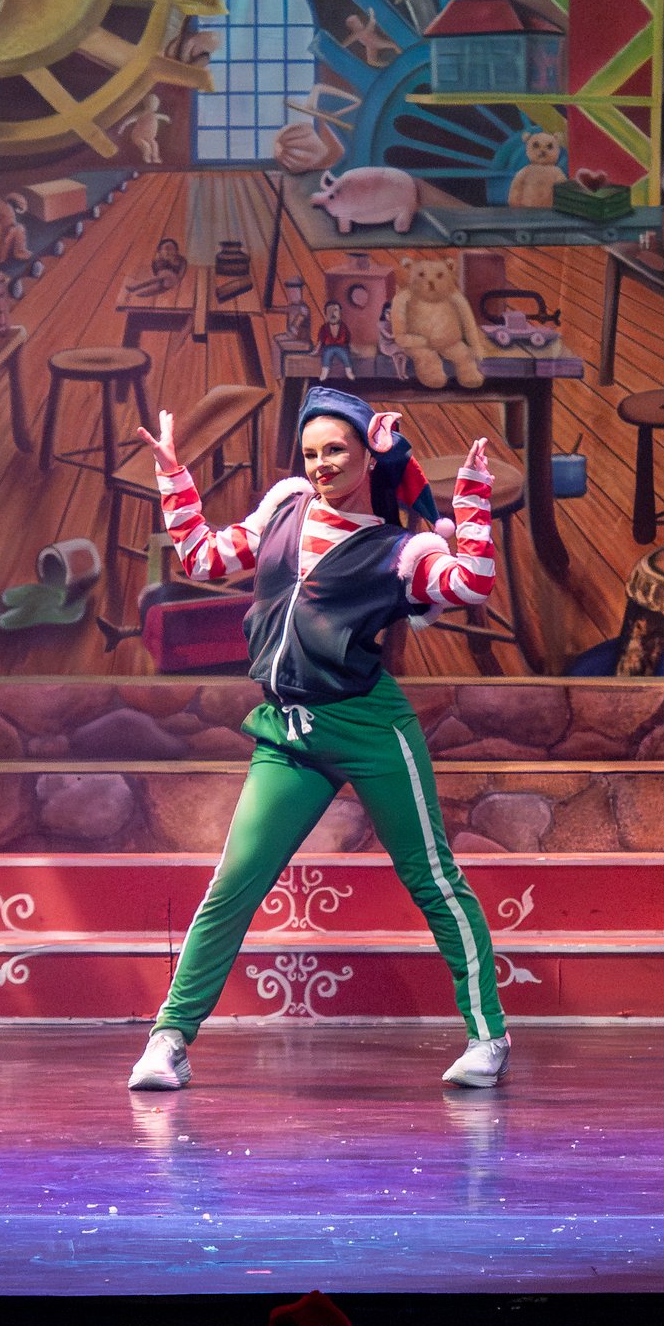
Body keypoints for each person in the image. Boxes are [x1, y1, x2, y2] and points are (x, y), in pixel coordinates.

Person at [125, 386, 508, 1091]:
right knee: (233, 882)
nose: (322, 464)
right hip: (289, 729)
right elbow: (204, 559)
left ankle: (488, 1036)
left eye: (335, 450)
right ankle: (169, 1038)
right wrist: (173, 473)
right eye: (310, 453)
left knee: (431, 877)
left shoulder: (401, 550)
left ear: (367, 456)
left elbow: (471, 584)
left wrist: (472, 497)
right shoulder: (285, 508)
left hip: (368, 724)